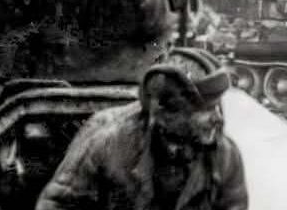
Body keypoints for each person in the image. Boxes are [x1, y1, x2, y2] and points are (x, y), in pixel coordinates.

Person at [36, 47, 247, 210]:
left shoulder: (225, 155)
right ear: (167, 113)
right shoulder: (107, 143)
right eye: (206, 110)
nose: (218, 119)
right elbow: (57, 204)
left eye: (217, 107)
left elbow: (234, 206)